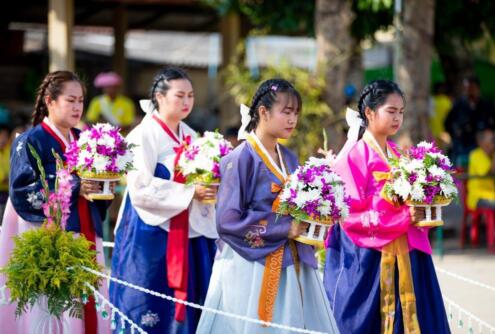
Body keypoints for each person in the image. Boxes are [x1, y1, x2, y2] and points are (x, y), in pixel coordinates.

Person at [196, 79, 338, 334]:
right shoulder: (239, 158)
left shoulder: (290, 157)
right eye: (286, 112)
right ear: (263, 112)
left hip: (292, 262)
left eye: (296, 113)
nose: (292, 119)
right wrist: (284, 228)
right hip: (251, 267)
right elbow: (226, 221)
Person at [323, 80, 450, 333]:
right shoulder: (353, 156)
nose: (397, 118)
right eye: (391, 111)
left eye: (401, 112)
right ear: (369, 113)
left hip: (405, 253)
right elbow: (350, 214)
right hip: (369, 259)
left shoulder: (398, 154)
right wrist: (404, 215)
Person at [0, 70, 111, 333]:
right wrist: (74, 185)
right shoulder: (29, 141)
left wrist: (103, 183)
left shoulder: (87, 141)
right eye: (70, 100)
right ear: (50, 101)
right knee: (49, 306)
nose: (77, 107)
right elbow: (23, 189)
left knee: (83, 301)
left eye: (81, 100)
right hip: (47, 235)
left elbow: (97, 186)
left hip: (83, 228)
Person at [109, 67, 218, 334]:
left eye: (191, 95)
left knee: (193, 299)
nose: (186, 102)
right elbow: (140, 187)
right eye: (179, 95)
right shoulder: (142, 135)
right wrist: (190, 192)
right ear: (159, 97)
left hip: (190, 230)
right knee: (148, 295)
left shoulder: (192, 136)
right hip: (149, 232)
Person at [445, 75, 495, 168]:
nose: (469, 91)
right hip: (462, 146)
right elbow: (447, 123)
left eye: (471, 88)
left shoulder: (487, 104)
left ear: (477, 88)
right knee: (461, 174)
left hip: (482, 148)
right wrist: (455, 134)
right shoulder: (459, 104)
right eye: (466, 88)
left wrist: (489, 133)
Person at [467, 128, 495, 210]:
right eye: (490, 141)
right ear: (480, 142)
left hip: (494, 194)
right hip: (480, 196)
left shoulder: (493, 154)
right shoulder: (476, 155)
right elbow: (489, 175)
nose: (493, 144)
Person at [429, 82, 452, 148]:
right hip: (442, 132)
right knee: (442, 153)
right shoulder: (446, 101)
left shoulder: (431, 100)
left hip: (435, 132)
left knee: (435, 152)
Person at [0, 125, 11, 221]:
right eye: (2, 136)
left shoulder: (9, 150)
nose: (4, 139)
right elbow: (2, 179)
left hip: (9, 193)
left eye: (5, 136)